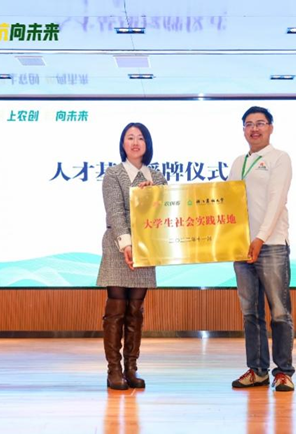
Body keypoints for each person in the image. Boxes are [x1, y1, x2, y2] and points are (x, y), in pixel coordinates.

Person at [228, 106, 295, 392]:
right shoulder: (238, 163)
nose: (254, 128)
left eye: (260, 123)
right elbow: (225, 202)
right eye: (249, 124)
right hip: (241, 248)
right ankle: (257, 370)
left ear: (270, 128)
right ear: (243, 130)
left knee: (279, 312)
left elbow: (276, 201)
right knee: (250, 313)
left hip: (272, 245)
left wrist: (260, 238)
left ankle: (283, 372)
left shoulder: (280, 158)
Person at [96, 122, 167, 390]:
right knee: (116, 310)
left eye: (140, 138)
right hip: (118, 247)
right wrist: (126, 245)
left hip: (146, 247)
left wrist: (152, 197)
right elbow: (115, 212)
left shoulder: (157, 178)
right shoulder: (113, 174)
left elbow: (166, 213)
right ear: (123, 144)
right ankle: (113, 370)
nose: (135, 142)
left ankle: (131, 368)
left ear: (147, 144)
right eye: (130, 137)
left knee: (135, 312)